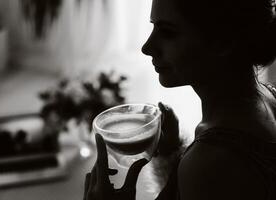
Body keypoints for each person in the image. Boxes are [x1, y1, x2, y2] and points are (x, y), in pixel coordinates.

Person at [83, 0, 276, 199]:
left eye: (168, 32)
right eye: (153, 27)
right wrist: (172, 152)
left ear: (223, 42)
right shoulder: (269, 99)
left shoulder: (212, 162)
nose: (147, 47)